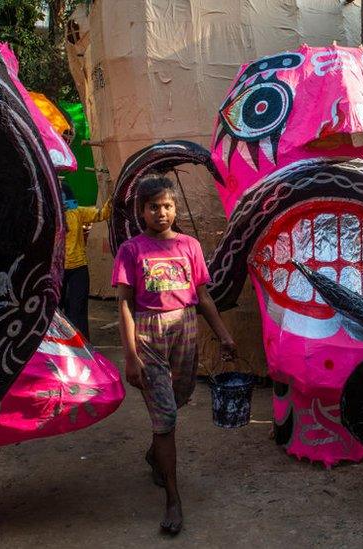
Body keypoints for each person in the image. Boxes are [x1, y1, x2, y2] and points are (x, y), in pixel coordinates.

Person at [112, 175, 237, 536]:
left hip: (186, 329)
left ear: (174, 208)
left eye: (167, 206)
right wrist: (131, 355)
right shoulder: (131, 250)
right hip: (149, 331)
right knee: (166, 417)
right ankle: (173, 498)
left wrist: (224, 335)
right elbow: (123, 304)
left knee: (176, 401)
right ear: (142, 211)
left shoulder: (190, 246)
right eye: (154, 207)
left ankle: (155, 456)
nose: (161, 213)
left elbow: (204, 296)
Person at [60, 182, 111, 339]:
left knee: (78, 309)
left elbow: (102, 214)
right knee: (55, 310)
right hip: (56, 270)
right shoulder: (47, 215)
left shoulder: (77, 212)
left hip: (77, 268)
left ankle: (81, 345)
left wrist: (112, 198)